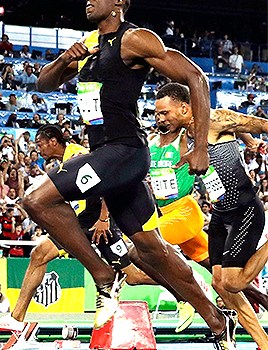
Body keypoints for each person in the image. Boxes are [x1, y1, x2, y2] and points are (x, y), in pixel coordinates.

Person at [21, 2, 236, 349]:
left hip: (124, 152)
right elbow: (44, 83)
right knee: (151, 251)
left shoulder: (134, 39)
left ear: (119, 2)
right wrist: (64, 60)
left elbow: (196, 76)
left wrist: (199, 147)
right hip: (108, 157)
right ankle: (217, 319)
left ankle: (104, 277)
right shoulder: (89, 45)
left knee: (36, 199)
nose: (88, 0)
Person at [150, 82, 268, 349]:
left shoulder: (216, 118)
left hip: (244, 209)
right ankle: (264, 343)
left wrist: (251, 136)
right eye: (157, 114)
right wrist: (247, 140)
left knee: (233, 282)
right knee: (221, 286)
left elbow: (257, 124)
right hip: (219, 213)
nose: (160, 119)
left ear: (184, 108)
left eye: (165, 113)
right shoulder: (180, 137)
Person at [0, 124, 136, 332]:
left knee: (136, 276)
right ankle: (17, 319)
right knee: (39, 254)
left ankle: (184, 284)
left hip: (93, 221)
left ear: (53, 141)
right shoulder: (64, 161)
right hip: (79, 222)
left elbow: (107, 181)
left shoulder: (77, 153)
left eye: (40, 144)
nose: (38, 150)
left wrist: (103, 218)